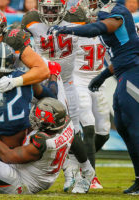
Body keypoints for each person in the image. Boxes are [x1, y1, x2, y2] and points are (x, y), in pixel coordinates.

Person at [48, 0, 139, 195]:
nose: (91, 5)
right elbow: (121, 55)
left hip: (133, 74)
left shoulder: (117, 12)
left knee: (134, 128)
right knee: (123, 127)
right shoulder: (109, 15)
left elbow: (102, 27)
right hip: (123, 72)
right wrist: (102, 76)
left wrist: (69, 30)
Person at [21, 0, 95, 193]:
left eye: (55, 8)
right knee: (37, 125)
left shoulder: (77, 16)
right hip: (40, 79)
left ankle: (85, 172)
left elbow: (97, 32)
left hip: (67, 81)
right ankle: (69, 169)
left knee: (70, 129)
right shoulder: (30, 19)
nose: (51, 12)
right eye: (47, 8)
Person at [65, 0, 111, 189]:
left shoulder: (108, 29)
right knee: (89, 127)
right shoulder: (75, 30)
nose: (91, 11)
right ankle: (90, 176)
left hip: (97, 82)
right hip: (78, 81)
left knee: (104, 132)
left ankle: (74, 160)